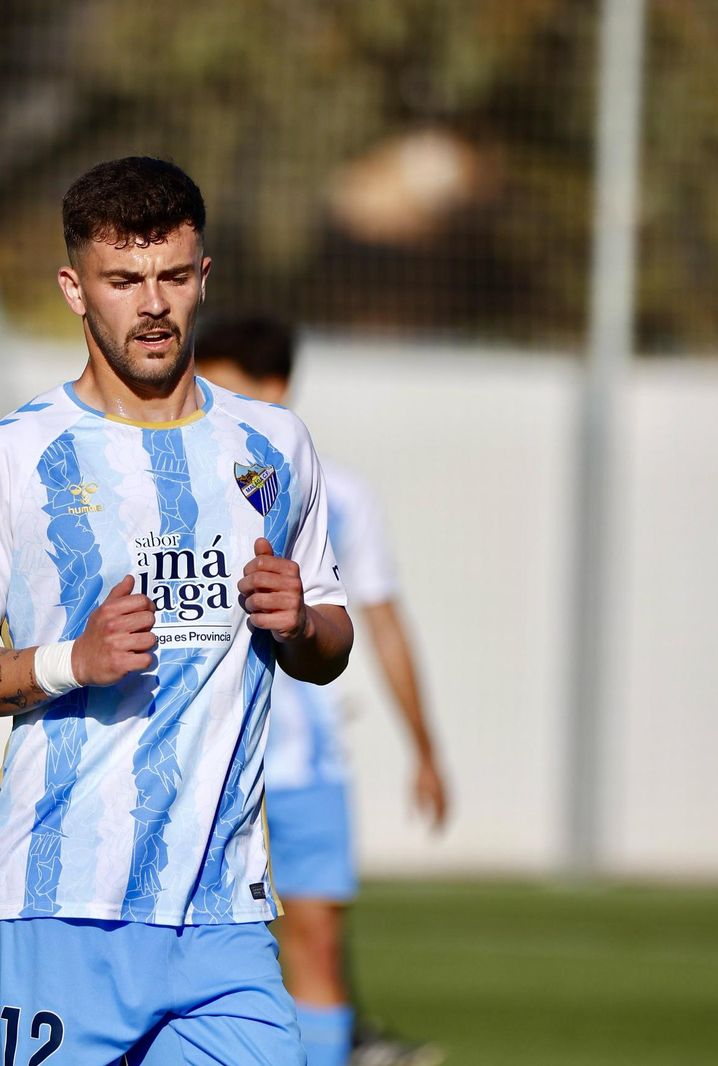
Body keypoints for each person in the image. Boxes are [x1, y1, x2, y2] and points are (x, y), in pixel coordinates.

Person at [0, 157, 353, 1066]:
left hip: (222, 916)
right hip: (57, 908)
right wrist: (70, 660)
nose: (151, 305)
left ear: (204, 276)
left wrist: (301, 624)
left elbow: (332, 635)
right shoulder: (15, 456)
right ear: (76, 290)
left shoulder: (275, 446)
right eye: (123, 281)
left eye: (172, 276)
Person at [196, 317, 449, 1066]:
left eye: (228, 385)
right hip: (210, 758)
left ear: (275, 390)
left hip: (305, 766)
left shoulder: (335, 494)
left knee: (316, 942)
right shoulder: (176, 482)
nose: (211, 402)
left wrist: (425, 749)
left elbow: (383, 623)